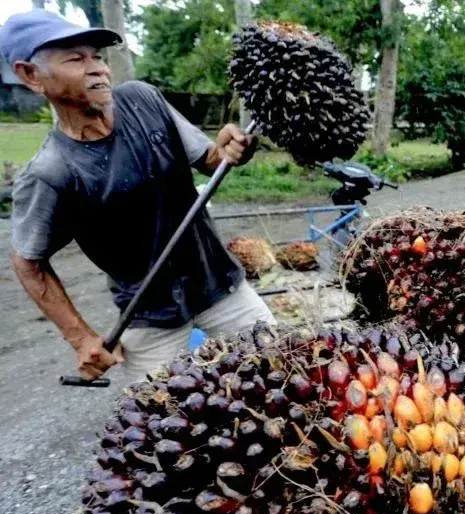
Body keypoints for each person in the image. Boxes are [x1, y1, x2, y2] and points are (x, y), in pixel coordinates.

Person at [0, 10, 276, 379]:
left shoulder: (143, 100)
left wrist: (227, 150)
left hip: (222, 287)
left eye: (97, 56)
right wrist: (81, 338)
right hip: (150, 315)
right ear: (31, 75)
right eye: (76, 59)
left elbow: (210, 160)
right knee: (163, 419)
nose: (97, 67)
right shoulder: (51, 173)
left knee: (279, 370)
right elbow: (28, 262)